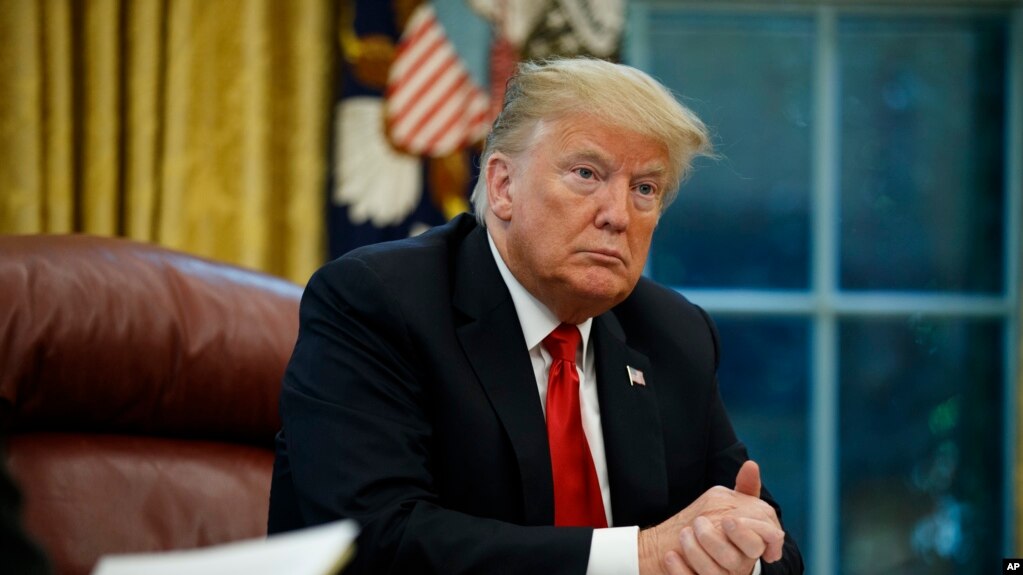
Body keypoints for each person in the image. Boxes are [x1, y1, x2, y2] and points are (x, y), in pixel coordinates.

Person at [268, 57, 804, 575]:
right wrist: (637, 558)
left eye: (645, 189)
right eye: (587, 174)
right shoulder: (378, 303)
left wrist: (739, 552)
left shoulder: (674, 334)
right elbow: (376, 541)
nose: (617, 215)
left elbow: (774, 549)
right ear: (503, 186)